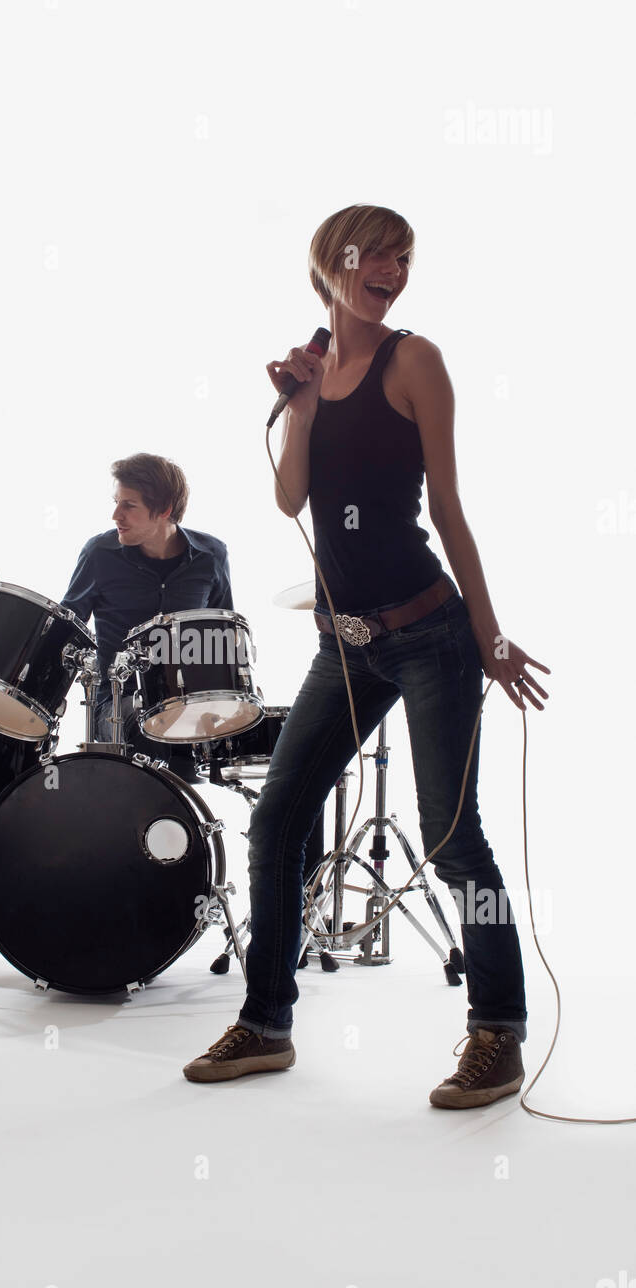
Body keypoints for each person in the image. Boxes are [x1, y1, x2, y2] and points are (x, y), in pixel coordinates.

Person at [183, 204, 550, 1107]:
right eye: (377, 254)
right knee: (276, 824)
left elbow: (451, 512)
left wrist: (489, 633)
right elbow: (288, 499)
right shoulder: (316, 372)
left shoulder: (414, 360)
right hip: (341, 646)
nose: (394, 269)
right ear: (332, 262)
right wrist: (305, 408)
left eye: (404, 258)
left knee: (452, 839)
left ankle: (496, 1031)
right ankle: (266, 1024)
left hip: (428, 634)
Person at [61, 452, 233, 781]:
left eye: (129, 505)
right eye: (116, 502)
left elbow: (223, 639)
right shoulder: (99, 554)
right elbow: (68, 629)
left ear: (165, 510)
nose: (116, 515)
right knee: (146, 723)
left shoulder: (212, 557)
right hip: (117, 702)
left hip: (187, 703)